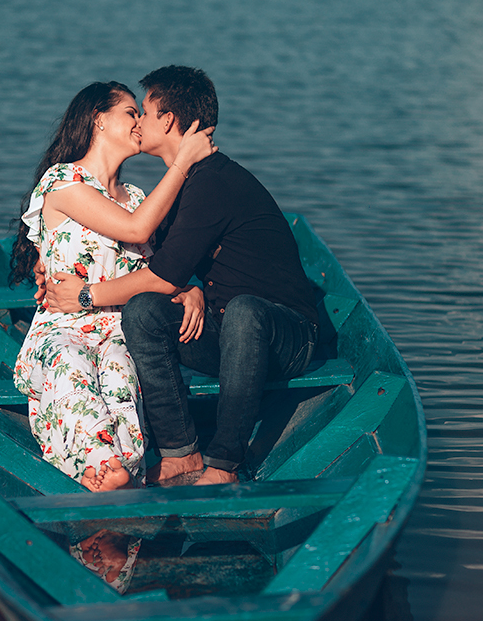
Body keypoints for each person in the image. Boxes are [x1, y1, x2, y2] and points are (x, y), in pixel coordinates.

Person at [45, 66, 320, 486]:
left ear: (168, 121)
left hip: (287, 336)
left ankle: (224, 464)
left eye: (145, 113)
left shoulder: (214, 182)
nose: (139, 123)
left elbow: (161, 274)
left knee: (245, 311)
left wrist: (87, 296)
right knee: (143, 313)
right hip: (229, 336)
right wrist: (192, 290)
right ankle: (181, 454)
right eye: (131, 114)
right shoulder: (181, 188)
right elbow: (166, 267)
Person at [8, 81, 214, 590]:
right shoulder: (63, 182)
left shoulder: (139, 197)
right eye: (129, 113)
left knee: (123, 387)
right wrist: (183, 161)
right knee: (72, 370)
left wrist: (189, 290)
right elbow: (139, 232)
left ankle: (104, 540)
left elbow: (157, 266)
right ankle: (106, 496)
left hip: (120, 331)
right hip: (64, 326)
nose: (139, 123)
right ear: (98, 119)